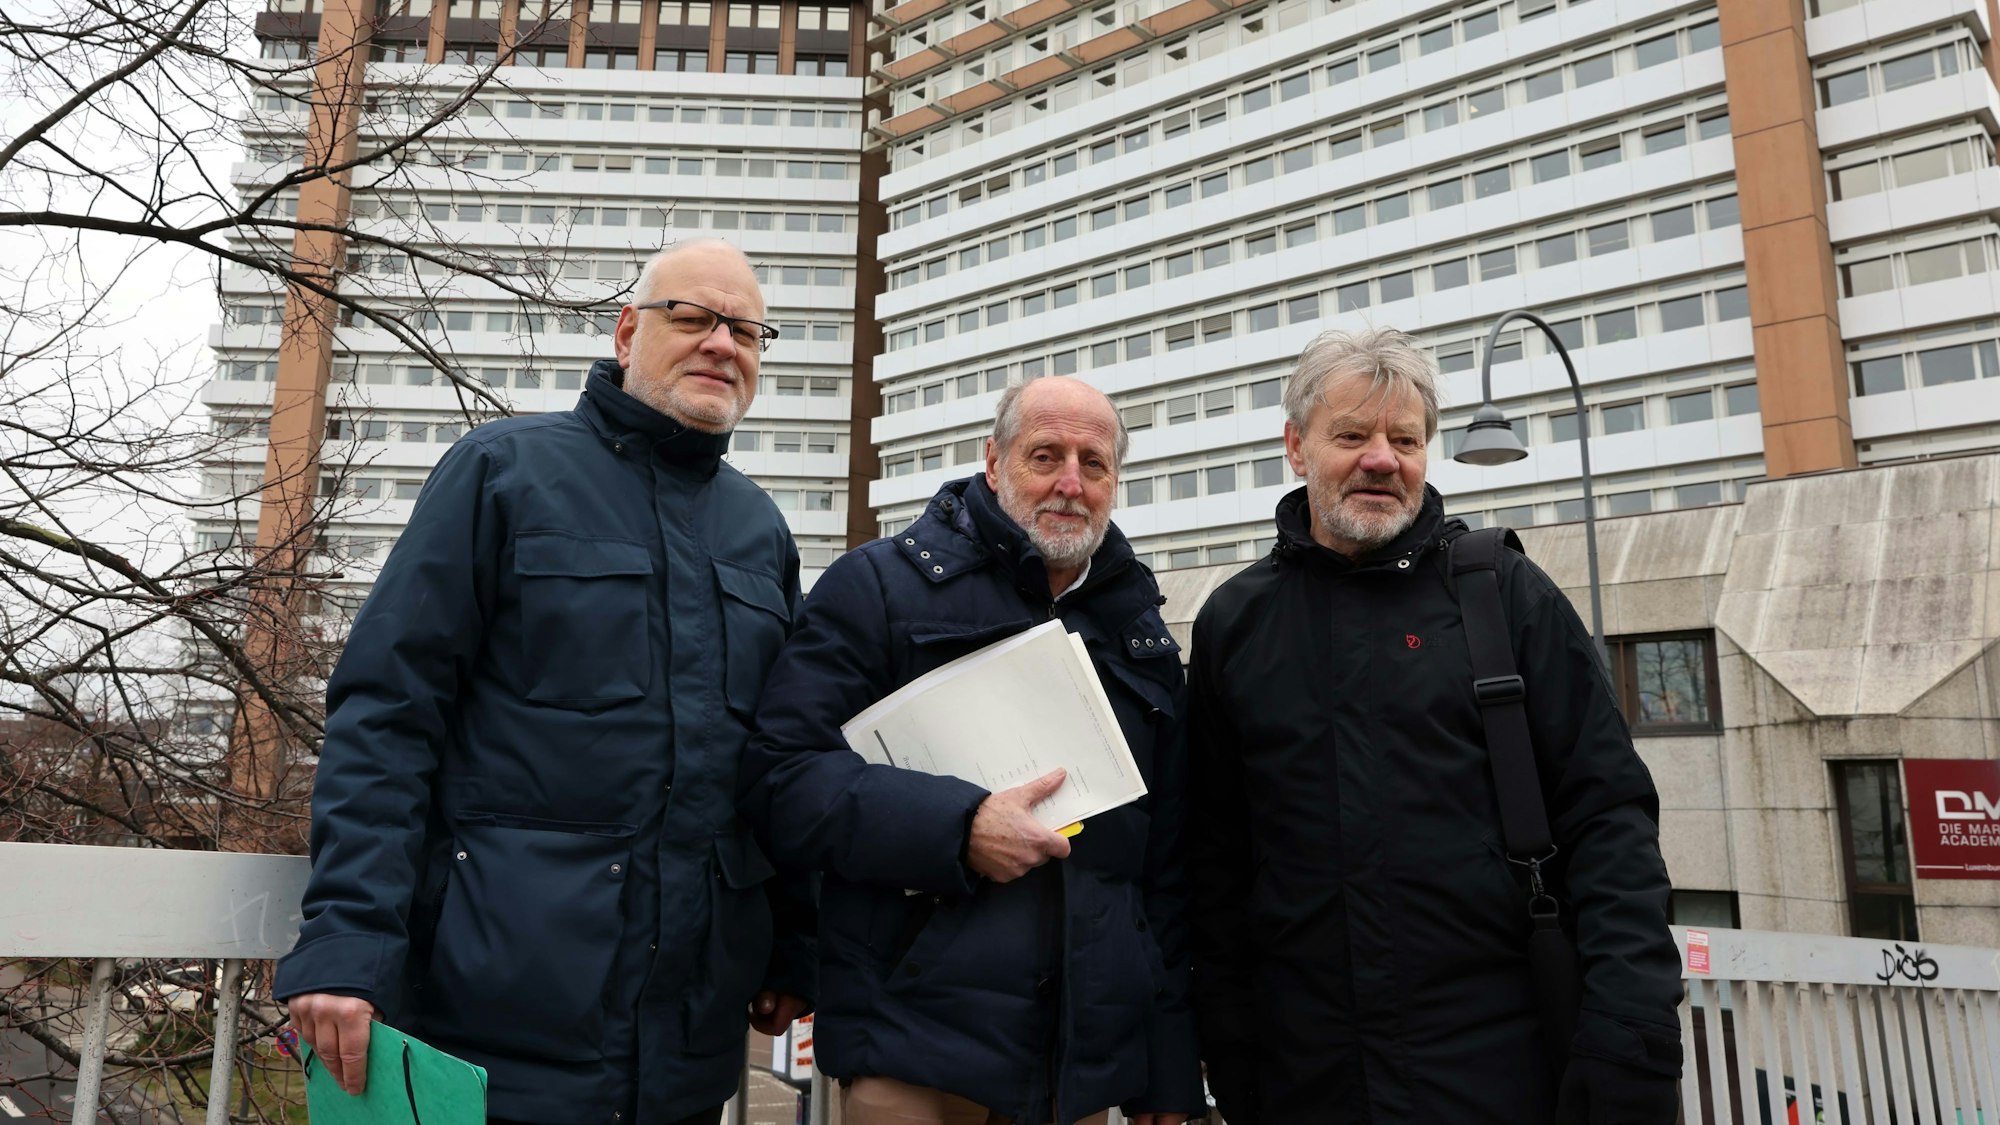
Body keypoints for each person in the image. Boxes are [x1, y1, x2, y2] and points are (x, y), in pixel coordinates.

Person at [274, 239, 813, 1125]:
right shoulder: (501, 472)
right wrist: (345, 939)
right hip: (491, 1037)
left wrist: (794, 949)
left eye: (748, 330)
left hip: (684, 1056)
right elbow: (387, 712)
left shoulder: (760, 531)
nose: (723, 342)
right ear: (626, 330)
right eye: (694, 317)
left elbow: (774, 763)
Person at [1186, 328, 1683, 1124]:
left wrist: (1632, 1031)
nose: (1381, 458)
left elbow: (1609, 817)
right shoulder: (1235, 624)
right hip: (1304, 1078)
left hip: (1502, 1065)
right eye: (1352, 435)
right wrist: (1228, 1045)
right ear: (1295, 446)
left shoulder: (1503, 593)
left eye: (1404, 439)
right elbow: (1214, 863)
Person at [739, 377, 1202, 1125]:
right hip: (911, 1049)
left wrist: (1168, 1069)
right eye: (1044, 455)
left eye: (1094, 462)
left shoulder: (1142, 634)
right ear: (993, 461)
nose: (1070, 483)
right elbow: (781, 777)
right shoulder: (878, 587)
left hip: (1079, 1071)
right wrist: (959, 828)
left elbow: (1165, 872)